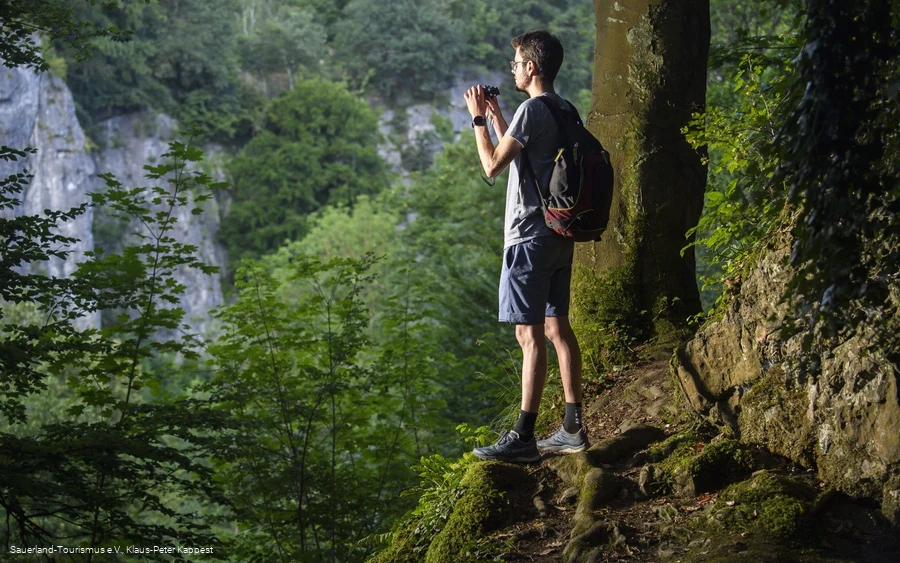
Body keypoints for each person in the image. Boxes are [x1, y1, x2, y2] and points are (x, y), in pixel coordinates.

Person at [464, 30, 588, 463]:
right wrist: (500, 116)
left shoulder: (532, 109)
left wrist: (478, 120)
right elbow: (526, 156)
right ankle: (573, 427)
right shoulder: (563, 109)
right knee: (557, 327)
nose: (513, 69)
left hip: (528, 237)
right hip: (559, 234)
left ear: (531, 67)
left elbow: (493, 166)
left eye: (517, 62)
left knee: (528, 334)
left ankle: (523, 437)